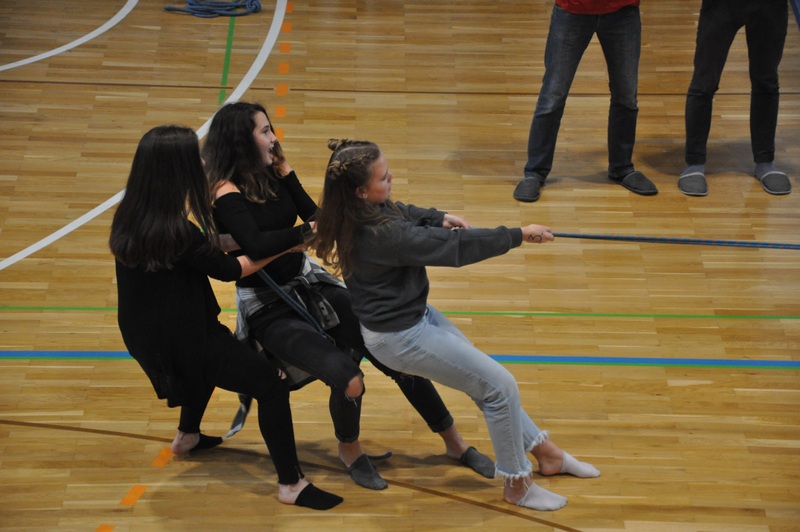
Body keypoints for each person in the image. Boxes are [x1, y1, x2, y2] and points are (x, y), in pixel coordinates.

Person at [201, 102, 497, 491]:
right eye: (265, 131)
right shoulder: (225, 190)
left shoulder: (274, 171)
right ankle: (350, 449)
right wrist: (302, 235)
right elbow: (259, 244)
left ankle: (455, 444)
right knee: (349, 377)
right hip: (268, 304)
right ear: (242, 140)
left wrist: (290, 179)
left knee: (396, 355)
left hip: (309, 280)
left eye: (271, 129)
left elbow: (315, 215)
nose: (274, 138)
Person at [314, 139, 600, 511]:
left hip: (413, 317)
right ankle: (517, 485)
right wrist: (517, 235)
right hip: (400, 337)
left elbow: (401, 210)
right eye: (383, 178)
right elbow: (454, 248)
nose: (391, 178)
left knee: (489, 386)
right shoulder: (384, 236)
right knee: (500, 387)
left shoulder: (356, 209)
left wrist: (437, 216)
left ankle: (548, 455)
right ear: (360, 191)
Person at [110, 125, 342, 511]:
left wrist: (259, 238)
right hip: (185, 338)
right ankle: (291, 485)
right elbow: (231, 269)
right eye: (196, 158)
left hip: (144, 333)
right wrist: (295, 238)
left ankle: (187, 436)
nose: (204, 163)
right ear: (177, 170)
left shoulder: (133, 216)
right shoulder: (177, 230)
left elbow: (201, 249)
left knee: (203, 371)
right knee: (270, 385)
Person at [514, 0, 657, 202]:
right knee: (552, 97)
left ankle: (622, 168)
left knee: (626, 96)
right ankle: (534, 172)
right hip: (572, 10)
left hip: (623, 11)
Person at [678, 0, 790, 196]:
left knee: (767, 82)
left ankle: (765, 161)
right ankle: (694, 163)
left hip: (771, 6)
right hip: (722, 5)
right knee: (704, 82)